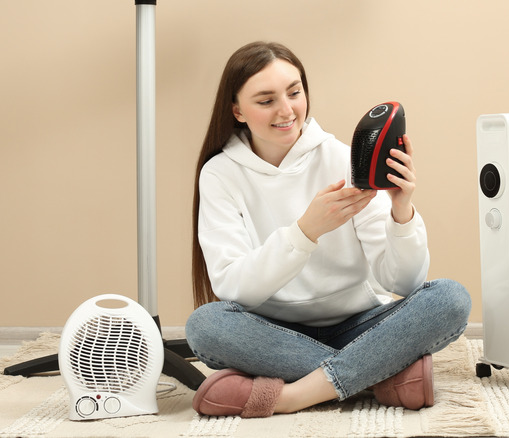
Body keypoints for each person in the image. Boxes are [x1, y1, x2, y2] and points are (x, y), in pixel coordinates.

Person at [185, 41, 471, 418]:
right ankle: (380, 375)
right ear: (237, 110)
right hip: (270, 334)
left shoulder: (342, 158)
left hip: (359, 325)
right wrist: (305, 232)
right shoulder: (220, 174)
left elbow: (403, 283)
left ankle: (295, 396)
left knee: (450, 298)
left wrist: (401, 211)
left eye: (294, 92)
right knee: (205, 326)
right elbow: (233, 286)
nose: (287, 110)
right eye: (266, 100)